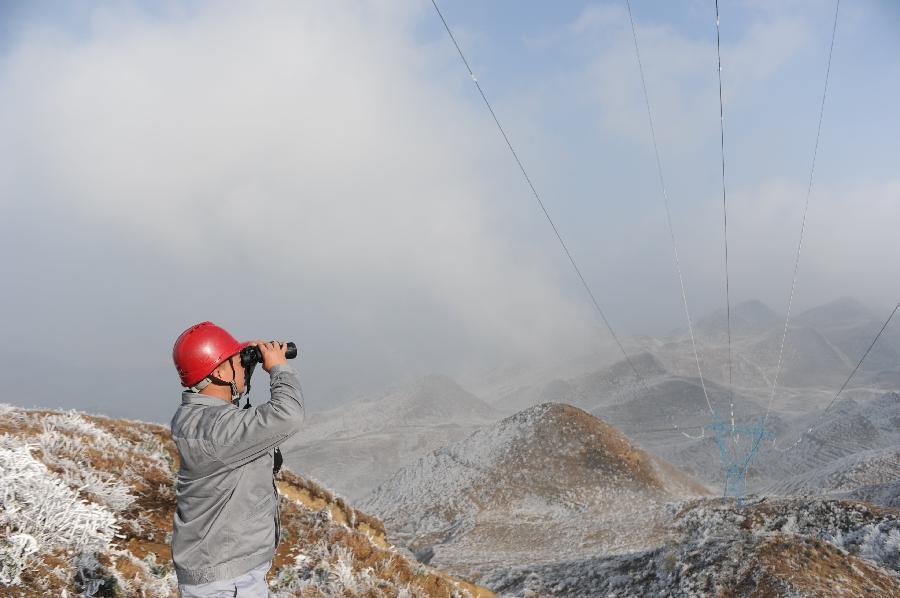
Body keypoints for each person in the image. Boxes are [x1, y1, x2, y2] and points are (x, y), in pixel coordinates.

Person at [170, 321, 304, 597]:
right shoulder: (219, 431)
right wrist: (278, 368)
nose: (244, 366)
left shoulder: (194, 419)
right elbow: (288, 415)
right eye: (237, 361)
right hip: (227, 579)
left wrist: (245, 359)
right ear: (219, 372)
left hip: (219, 570)